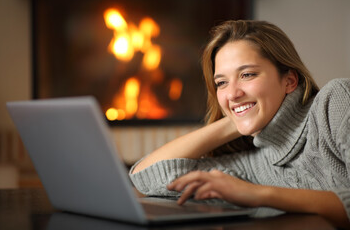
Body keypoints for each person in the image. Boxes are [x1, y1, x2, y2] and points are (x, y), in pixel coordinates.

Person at [129, 20, 350, 228]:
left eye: (247, 74)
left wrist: (259, 194)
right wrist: (235, 119)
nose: (233, 94)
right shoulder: (253, 163)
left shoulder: (335, 102)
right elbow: (146, 177)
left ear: (289, 81)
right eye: (222, 83)